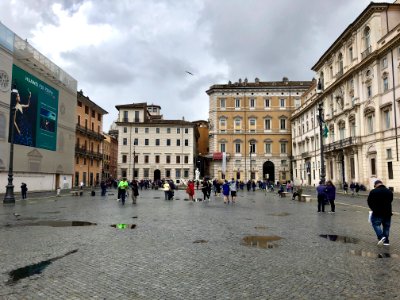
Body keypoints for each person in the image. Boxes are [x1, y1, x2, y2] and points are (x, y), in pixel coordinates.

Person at [367, 180, 393, 246]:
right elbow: (391, 200)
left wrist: (373, 208)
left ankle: (381, 237)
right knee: (386, 227)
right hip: (387, 213)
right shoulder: (389, 191)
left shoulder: (373, 191)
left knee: (375, 224)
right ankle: (386, 241)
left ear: (376, 185)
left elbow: (369, 201)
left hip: (377, 212)